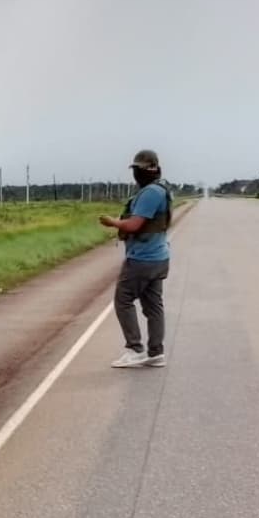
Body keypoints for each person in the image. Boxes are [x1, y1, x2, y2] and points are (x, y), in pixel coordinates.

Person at [99, 150, 173, 368]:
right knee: (153, 306)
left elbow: (134, 225)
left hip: (142, 258)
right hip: (159, 256)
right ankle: (155, 352)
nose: (137, 173)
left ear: (149, 169)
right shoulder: (162, 190)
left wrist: (113, 222)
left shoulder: (150, 193)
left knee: (123, 300)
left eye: (139, 169)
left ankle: (135, 349)